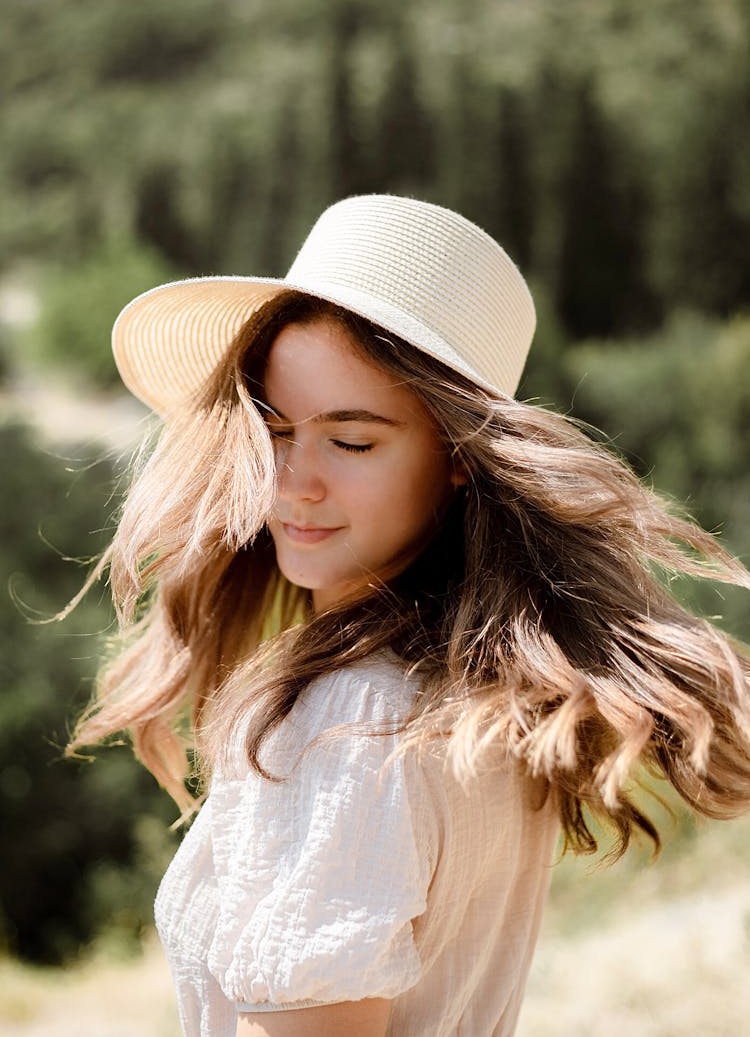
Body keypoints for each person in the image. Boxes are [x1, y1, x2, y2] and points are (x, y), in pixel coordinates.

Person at [69, 194, 750, 1037]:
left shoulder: (345, 723)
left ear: (460, 459)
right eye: (274, 430)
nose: (293, 481)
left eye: (351, 441)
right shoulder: (477, 702)